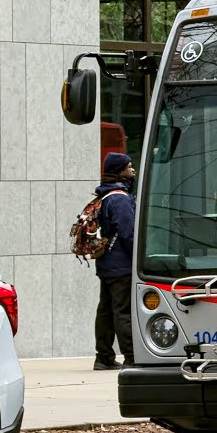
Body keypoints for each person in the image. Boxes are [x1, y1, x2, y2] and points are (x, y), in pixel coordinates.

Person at [93, 152, 136, 371]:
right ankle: (130, 356)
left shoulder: (105, 195)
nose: (133, 170)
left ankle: (103, 356)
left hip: (107, 263)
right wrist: (137, 258)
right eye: (129, 167)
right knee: (122, 310)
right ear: (119, 171)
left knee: (106, 310)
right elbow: (128, 233)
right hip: (121, 265)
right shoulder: (119, 198)